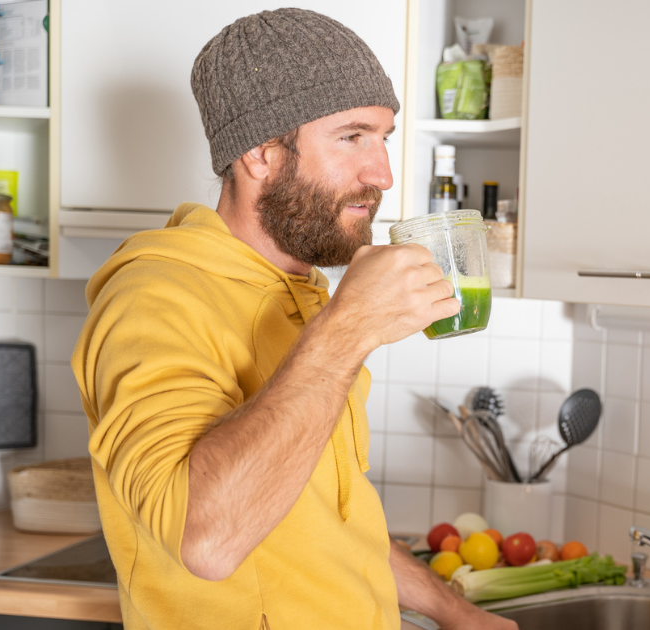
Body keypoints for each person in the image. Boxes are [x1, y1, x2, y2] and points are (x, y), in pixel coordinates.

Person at [71, 8, 517, 630]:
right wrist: (348, 329)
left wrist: (452, 609)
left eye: (384, 138)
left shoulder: (303, 292)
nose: (382, 174)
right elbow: (206, 541)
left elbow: (320, 522)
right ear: (260, 153)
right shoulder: (155, 296)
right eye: (352, 136)